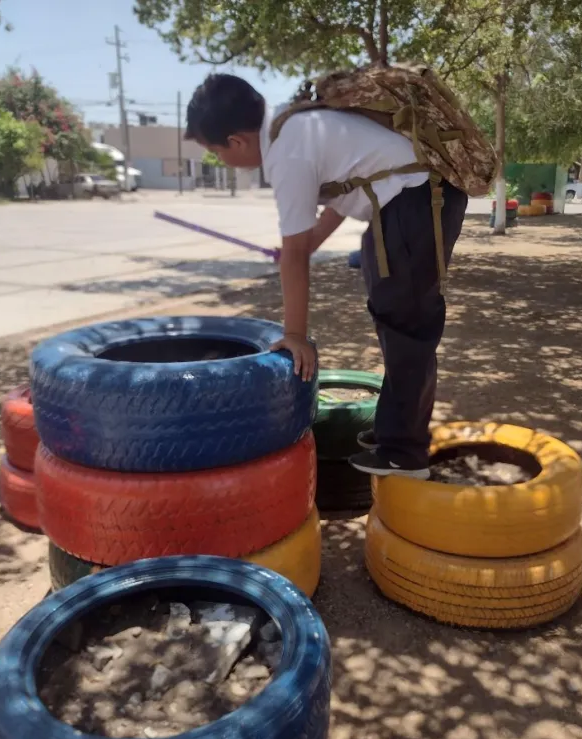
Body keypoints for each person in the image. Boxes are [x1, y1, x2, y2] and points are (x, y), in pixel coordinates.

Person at [185, 73, 468, 480]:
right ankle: (395, 430)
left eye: (215, 152)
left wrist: (296, 335)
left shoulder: (287, 148)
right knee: (390, 312)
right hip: (402, 201)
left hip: (419, 198)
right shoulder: (294, 126)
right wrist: (308, 242)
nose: (221, 161)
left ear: (236, 142)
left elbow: (295, 254)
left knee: (408, 322)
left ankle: (405, 454)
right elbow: (346, 189)